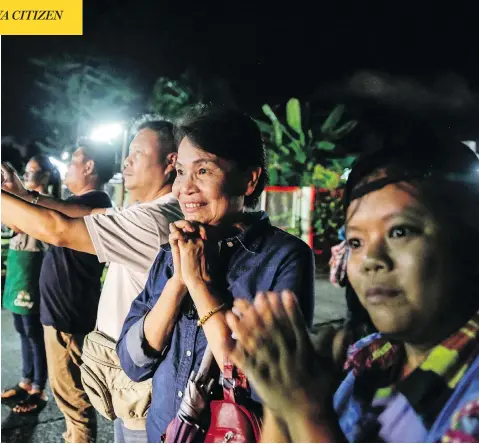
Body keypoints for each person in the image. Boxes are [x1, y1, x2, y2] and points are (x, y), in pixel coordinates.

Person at [224, 129, 479, 442]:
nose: (371, 259)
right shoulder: (367, 356)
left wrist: (307, 411)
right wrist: (282, 397)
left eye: (400, 232)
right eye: (356, 241)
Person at [116, 107, 316, 442]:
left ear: (249, 179)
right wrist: (179, 280)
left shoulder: (284, 258)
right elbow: (134, 362)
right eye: (180, 172)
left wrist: (198, 283)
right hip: (165, 433)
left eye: (203, 170)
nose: (185, 188)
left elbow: (265, 383)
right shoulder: (175, 251)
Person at [1, 116, 182, 443]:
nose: (126, 161)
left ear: (171, 162)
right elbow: (80, 215)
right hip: (130, 371)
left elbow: (58, 229)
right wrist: (24, 195)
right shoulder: (150, 212)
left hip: (140, 381)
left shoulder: (154, 219)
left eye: (138, 153)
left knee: (101, 419)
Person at [2, 140, 114, 443]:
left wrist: (19, 196)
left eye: (74, 160)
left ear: (89, 167)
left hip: (68, 319)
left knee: (74, 402)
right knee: (69, 402)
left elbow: (55, 223)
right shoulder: (77, 203)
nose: (68, 167)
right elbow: (39, 216)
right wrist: (19, 195)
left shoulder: (94, 201)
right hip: (63, 316)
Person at [1, 156, 61, 414]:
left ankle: (39, 387)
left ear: (47, 175)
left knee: (33, 331)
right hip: (17, 264)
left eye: (33, 172)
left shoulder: (45, 202)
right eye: (25, 171)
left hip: (34, 264)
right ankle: (26, 381)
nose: (27, 176)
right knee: (20, 327)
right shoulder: (22, 197)